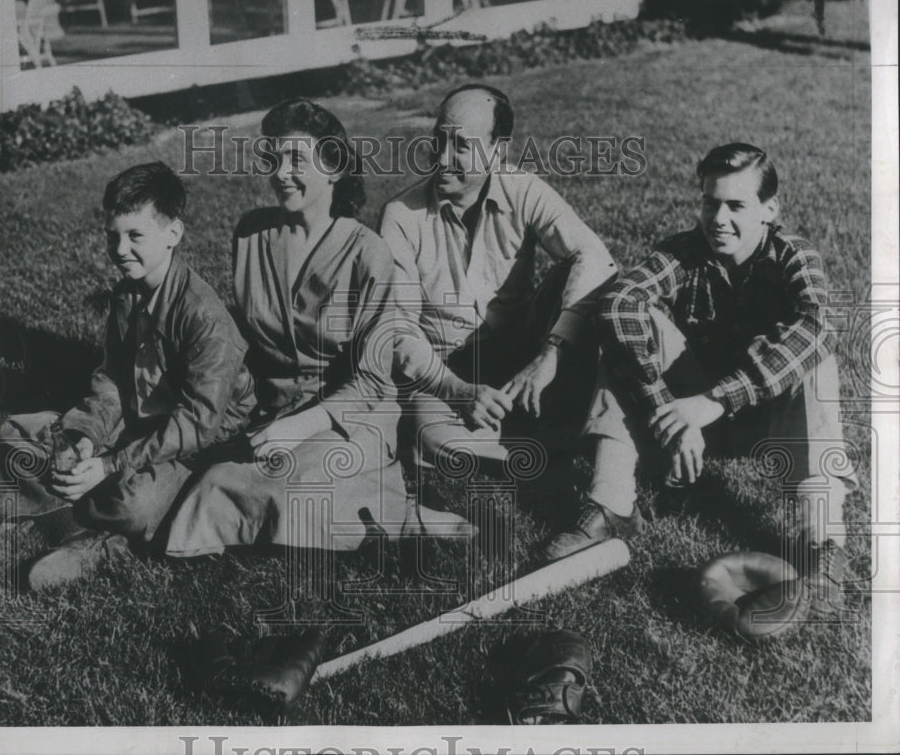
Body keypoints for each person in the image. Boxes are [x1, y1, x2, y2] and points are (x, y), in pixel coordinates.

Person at [544, 142, 855, 609]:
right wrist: (666, 413)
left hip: (760, 418)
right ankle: (612, 504)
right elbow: (617, 304)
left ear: (770, 209)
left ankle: (821, 543)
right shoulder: (684, 251)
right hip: (685, 416)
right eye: (710, 202)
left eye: (736, 205)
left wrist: (711, 403)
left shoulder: (794, 256)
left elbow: (818, 326)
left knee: (815, 357)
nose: (718, 218)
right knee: (629, 329)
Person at [163, 99, 471, 557]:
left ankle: (399, 514)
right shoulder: (251, 234)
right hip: (273, 414)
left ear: (332, 167)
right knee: (215, 479)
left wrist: (301, 427)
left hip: (352, 417)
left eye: (296, 159)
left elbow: (371, 380)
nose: (281, 173)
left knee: (288, 493)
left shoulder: (369, 253)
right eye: (274, 158)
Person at [0, 162, 256, 589]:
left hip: (192, 448)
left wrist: (110, 463)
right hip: (137, 424)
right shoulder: (127, 294)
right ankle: (78, 512)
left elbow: (198, 426)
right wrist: (87, 437)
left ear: (173, 234)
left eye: (135, 236)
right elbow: (112, 378)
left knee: (137, 504)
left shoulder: (206, 319)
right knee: (18, 429)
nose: (120, 249)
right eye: (113, 236)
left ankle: (92, 538)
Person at [378, 84, 617, 471]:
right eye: (438, 139)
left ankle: (536, 435)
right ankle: (553, 447)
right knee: (428, 433)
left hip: (522, 348)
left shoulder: (521, 188)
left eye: (461, 145)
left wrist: (551, 354)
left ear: (497, 150)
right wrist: (457, 391)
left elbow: (594, 256)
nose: (442, 157)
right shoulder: (400, 216)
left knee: (589, 286)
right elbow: (398, 329)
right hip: (446, 368)